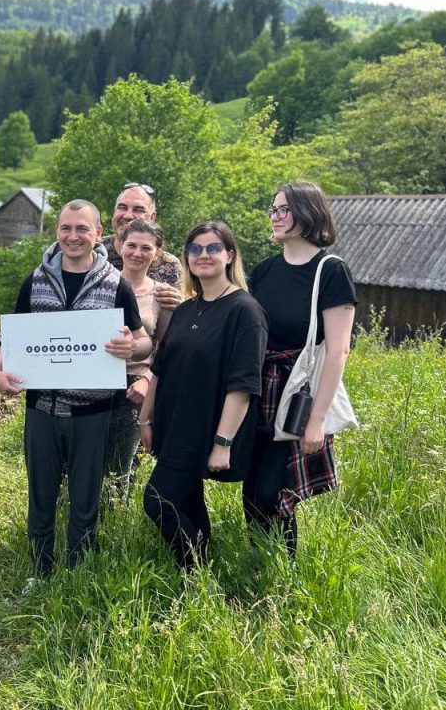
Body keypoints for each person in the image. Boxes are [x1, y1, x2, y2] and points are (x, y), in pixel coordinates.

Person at [0, 200, 153, 578]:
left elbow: (144, 340)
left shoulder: (116, 284)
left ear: (99, 234)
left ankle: (78, 574)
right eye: (66, 228)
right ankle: (40, 572)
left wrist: (132, 348)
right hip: (41, 409)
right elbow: (15, 339)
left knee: (85, 498)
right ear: (57, 232)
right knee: (41, 496)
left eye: (82, 228)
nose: (73, 236)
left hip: (93, 412)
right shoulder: (35, 281)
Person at [138, 221, 267, 571]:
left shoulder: (245, 311)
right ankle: (199, 574)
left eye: (213, 248)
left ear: (230, 255)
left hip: (205, 428)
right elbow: (159, 369)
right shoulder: (185, 309)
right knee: (188, 500)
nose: (203, 255)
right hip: (173, 424)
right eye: (195, 249)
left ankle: (193, 568)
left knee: (157, 500)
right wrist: (145, 420)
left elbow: (243, 385)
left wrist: (223, 443)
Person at [243, 182, 356, 559]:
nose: (274, 217)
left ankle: (283, 574)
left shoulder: (331, 271)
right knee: (252, 490)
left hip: (297, 393)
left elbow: (338, 350)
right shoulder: (263, 270)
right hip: (257, 388)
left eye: (283, 209)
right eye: (273, 209)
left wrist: (317, 420)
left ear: (308, 213)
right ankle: (260, 566)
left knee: (272, 493)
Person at [107, 219, 172, 499]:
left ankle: (113, 522)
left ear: (157, 253)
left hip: (134, 388)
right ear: (120, 246)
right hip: (93, 382)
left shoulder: (162, 295)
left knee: (119, 470)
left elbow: (166, 347)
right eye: (131, 245)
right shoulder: (100, 284)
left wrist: (147, 380)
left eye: (146, 248)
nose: (137, 253)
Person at [102, 183, 183, 305]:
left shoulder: (169, 266)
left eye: (138, 209)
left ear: (152, 217)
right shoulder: (94, 252)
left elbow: (183, 307)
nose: (128, 215)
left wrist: (181, 304)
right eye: (122, 207)